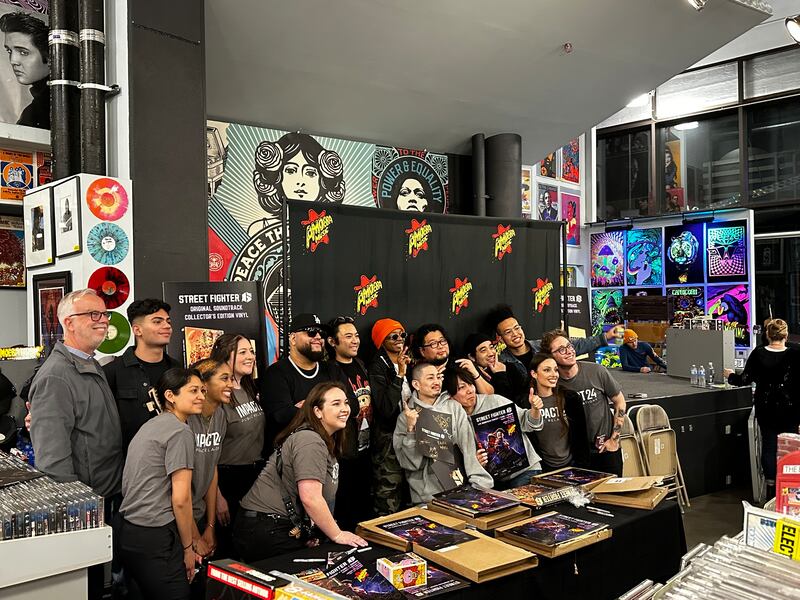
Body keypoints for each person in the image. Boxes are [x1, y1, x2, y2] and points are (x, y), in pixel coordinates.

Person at [234, 382, 367, 562]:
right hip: (265, 528)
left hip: (279, 526)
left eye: (345, 403)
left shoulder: (323, 439)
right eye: (336, 404)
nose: (344, 409)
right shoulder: (310, 441)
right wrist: (337, 535)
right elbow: (310, 498)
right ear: (317, 411)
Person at [117, 367, 204, 600]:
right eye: (193, 391)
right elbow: (181, 500)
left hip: (128, 531)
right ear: (170, 396)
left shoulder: (152, 425)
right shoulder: (179, 432)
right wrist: (188, 549)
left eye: (203, 391)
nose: (201, 397)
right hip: (155, 535)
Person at [29, 288, 123, 497]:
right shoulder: (56, 377)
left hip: (110, 494)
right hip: (91, 503)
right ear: (69, 323)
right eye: (93, 314)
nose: (104, 320)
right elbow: (53, 461)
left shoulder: (90, 362)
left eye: (105, 314)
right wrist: (76, 508)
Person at [393, 361, 493, 504]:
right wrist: (410, 431)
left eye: (438, 377)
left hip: (460, 490)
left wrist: (480, 483)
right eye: (430, 378)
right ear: (416, 385)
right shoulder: (405, 417)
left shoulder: (454, 407)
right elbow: (410, 464)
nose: (436, 381)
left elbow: (468, 446)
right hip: (426, 498)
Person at [723, 319, 800, 498]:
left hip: (766, 408)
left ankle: (771, 489)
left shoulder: (758, 354)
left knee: (769, 446)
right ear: (786, 335)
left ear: (767, 335)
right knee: (791, 446)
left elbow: (744, 379)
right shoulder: (795, 355)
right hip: (791, 410)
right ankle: (791, 486)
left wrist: (730, 375)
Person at [260, 313, 356, 453]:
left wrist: (307, 406)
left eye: (321, 333)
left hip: (332, 453)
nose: (318, 337)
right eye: (311, 332)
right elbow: (282, 416)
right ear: (293, 338)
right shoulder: (276, 373)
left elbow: (354, 404)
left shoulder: (332, 369)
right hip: (296, 456)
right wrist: (331, 408)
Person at [485, 305, 616, 406]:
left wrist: (606, 337)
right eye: (508, 332)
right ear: (500, 339)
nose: (515, 334)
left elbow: (576, 346)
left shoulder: (540, 346)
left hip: (556, 405)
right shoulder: (502, 362)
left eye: (517, 328)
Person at [208, 334, 265, 556]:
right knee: (227, 548)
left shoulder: (248, 387)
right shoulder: (218, 395)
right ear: (225, 357)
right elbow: (207, 451)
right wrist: (217, 497)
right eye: (242, 352)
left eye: (250, 351)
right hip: (227, 479)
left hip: (253, 475)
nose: (250, 356)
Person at [540, 330, 626, 476]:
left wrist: (614, 440)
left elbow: (620, 402)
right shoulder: (553, 382)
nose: (569, 351)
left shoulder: (597, 371)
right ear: (551, 357)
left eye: (569, 346)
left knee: (614, 497)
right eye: (561, 349)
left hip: (606, 450)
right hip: (576, 457)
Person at [443, 366, 544, 489]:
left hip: (525, 470)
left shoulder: (495, 401)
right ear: (450, 396)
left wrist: (535, 409)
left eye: (470, 384)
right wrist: (477, 462)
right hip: (494, 480)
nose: (469, 390)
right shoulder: (456, 419)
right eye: (461, 388)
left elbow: (529, 424)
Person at [104, 298, 180, 451]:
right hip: (129, 464)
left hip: (174, 457)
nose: (167, 326)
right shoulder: (112, 372)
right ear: (137, 330)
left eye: (168, 321)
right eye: (157, 322)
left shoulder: (178, 370)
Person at [326, 315, 373, 530]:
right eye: (348, 336)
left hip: (367, 448)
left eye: (356, 335)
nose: (355, 340)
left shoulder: (361, 364)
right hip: (345, 450)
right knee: (346, 510)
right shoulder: (330, 370)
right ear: (333, 342)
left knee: (364, 508)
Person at [187, 359, 233, 562]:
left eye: (231, 378)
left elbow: (211, 467)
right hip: (177, 516)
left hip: (200, 513)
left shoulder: (220, 416)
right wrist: (195, 538)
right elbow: (177, 486)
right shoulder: (185, 419)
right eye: (224, 378)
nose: (231, 384)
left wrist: (210, 526)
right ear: (203, 385)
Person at [250, 132, 346, 225]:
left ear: (322, 180)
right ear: (278, 177)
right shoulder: (261, 225)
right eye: (291, 171)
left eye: (310, 173)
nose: (301, 182)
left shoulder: (335, 228)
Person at [368, 318, 412, 515]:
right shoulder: (377, 367)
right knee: (389, 492)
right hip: (389, 438)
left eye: (402, 334)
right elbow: (385, 408)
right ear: (381, 340)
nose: (399, 339)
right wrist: (400, 375)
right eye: (393, 336)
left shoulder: (411, 359)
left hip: (412, 434)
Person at [527, 353, 590, 472]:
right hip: (542, 470)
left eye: (555, 370)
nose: (554, 374)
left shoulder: (570, 398)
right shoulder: (524, 403)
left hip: (572, 466)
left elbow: (581, 437)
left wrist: (581, 470)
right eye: (547, 370)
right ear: (534, 374)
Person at [408, 323, 494, 399]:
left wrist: (475, 373)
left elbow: (490, 395)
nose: (440, 346)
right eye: (433, 343)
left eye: (442, 341)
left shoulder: (463, 364)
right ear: (422, 351)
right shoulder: (419, 372)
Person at [0, 11, 50, 129]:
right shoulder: (35, 108)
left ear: (50, 56)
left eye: (23, 52)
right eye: (9, 51)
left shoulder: (56, 105)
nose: (13, 61)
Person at [463, 332, 527, 403]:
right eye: (483, 350)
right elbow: (497, 403)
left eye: (491, 347)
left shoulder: (510, 368)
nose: (490, 353)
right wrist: (500, 375)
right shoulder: (471, 378)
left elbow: (521, 397)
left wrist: (501, 373)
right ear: (472, 357)